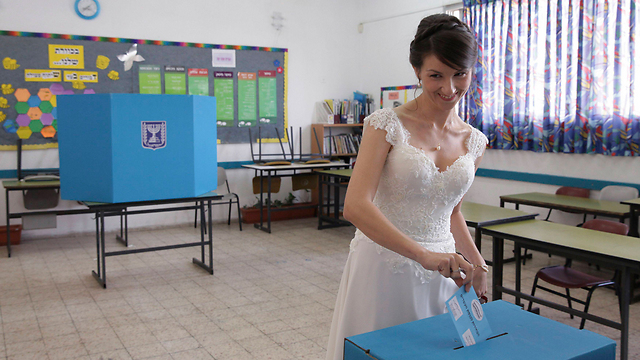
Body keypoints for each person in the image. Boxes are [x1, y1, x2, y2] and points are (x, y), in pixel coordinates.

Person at [325, 14, 489, 360]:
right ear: (417, 71)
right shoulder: (386, 124)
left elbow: (452, 211)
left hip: (444, 271)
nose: (449, 88)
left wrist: (477, 263)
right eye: (436, 76)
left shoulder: (474, 141)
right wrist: (422, 256)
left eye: (460, 74)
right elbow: (354, 205)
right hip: (385, 265)